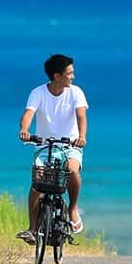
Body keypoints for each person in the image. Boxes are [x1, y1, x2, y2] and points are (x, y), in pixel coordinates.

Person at [16, 53, 88, 244]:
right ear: (57, 76)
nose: (72, 77)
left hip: (69, 145)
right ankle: (32, 229)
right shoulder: (38, 93)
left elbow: (81, 116)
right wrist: (24, 130)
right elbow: (28, 114)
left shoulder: (76, 92)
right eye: (69, 73)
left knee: (72, 170)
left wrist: (81, 137)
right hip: (44, 145)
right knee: (37, 183)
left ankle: (72, 208)